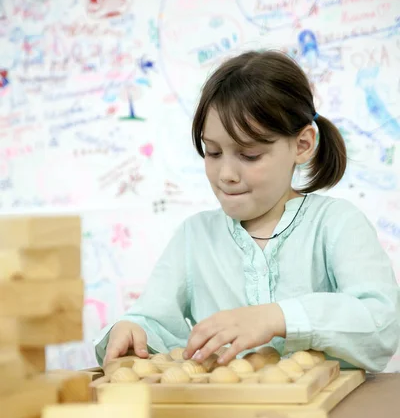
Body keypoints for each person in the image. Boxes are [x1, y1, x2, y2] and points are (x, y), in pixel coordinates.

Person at [94, 50, 400, 372]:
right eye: (212, 152)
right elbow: (152, 321)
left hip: (334, 416)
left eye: (250, 154)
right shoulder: (194, 237)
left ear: (302, 145)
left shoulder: (337, 224)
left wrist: (278, 317)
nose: (226, 173)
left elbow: (381, 323)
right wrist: (133, 330)